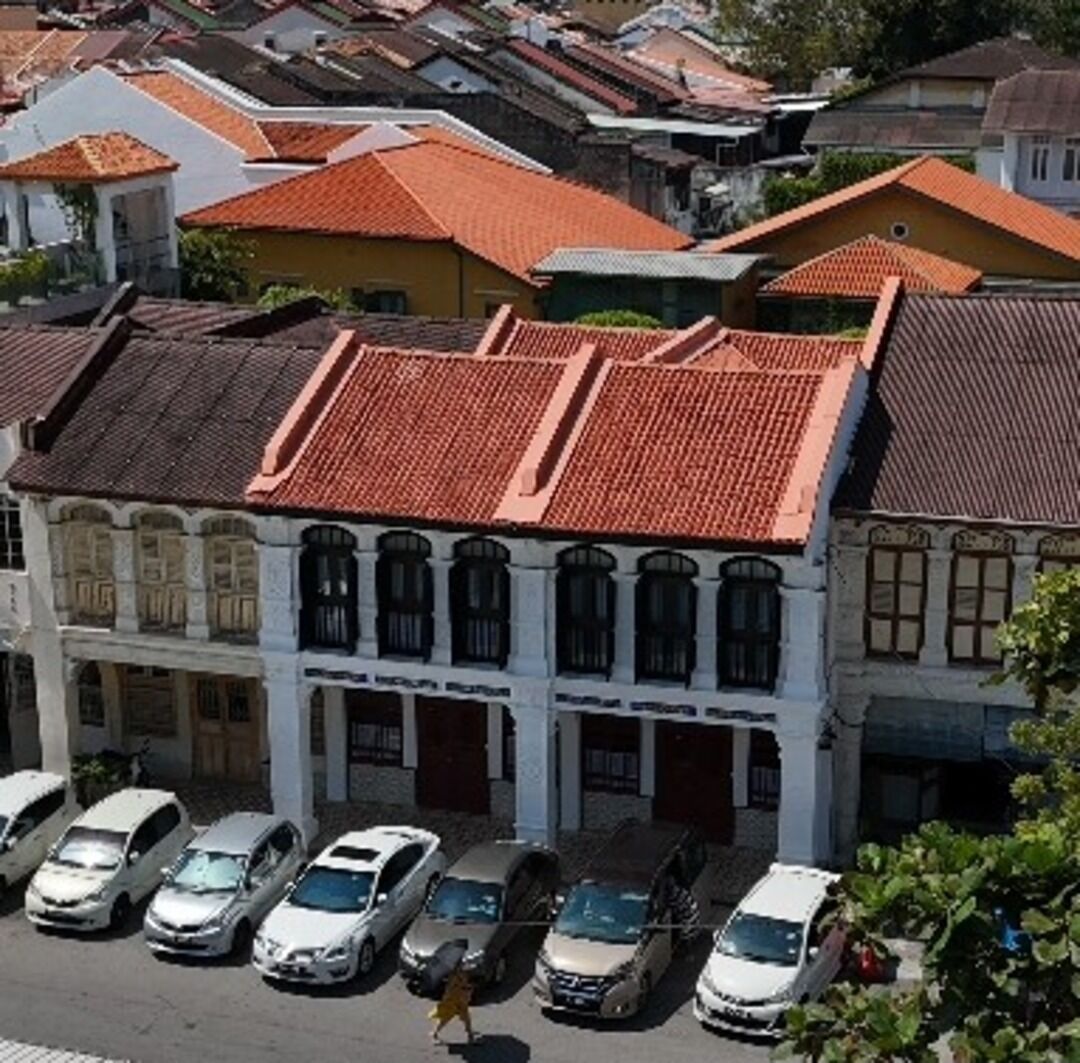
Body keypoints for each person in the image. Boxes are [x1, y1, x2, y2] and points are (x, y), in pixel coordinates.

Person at [429, 965, 476, 1045]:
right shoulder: (454, 977)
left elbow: (464, 985)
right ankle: (434, 1034)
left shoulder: (463, 974)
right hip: (453, 1001)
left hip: (461, 1001)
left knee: (466, 1018)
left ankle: (470, 1035)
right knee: (444, 1019)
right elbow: (449, 990)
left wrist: (469, 988)